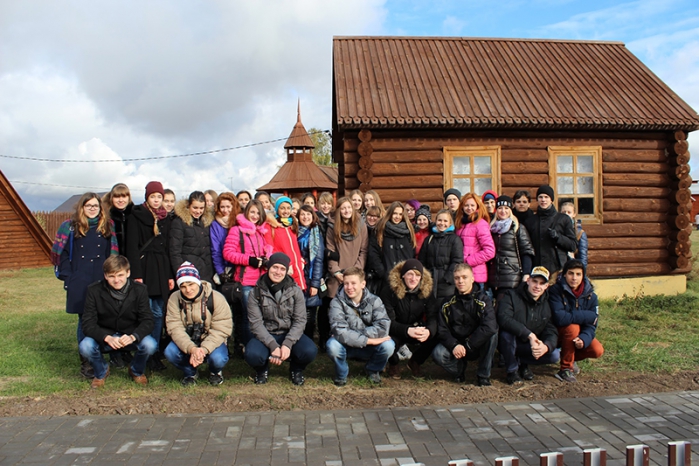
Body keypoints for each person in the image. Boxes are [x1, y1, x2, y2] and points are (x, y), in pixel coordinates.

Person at [51, 192, 119, 378]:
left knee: (103, 318)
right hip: (79, 279)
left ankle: (103, 354)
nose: (92, 209)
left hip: (101, 278)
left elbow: (112, 254)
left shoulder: (107, 226)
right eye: (88, 205)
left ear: (100, 207)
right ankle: (87, 362)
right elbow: (60, 254)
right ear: (82, 207)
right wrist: (69, 276)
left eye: (95, 206)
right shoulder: (69, 226)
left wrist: (111, 277)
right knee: (84, 321)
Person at [79, 255, 157, 388]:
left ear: (128, 273)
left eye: (120, 275)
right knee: (85, 346)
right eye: (111, 276)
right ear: (105, 276)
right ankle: (101, 371)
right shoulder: (94, 290)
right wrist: (106, 337)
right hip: (105, 335)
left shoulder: (140, 290)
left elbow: (148, 320)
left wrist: (134, 336)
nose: (116, 280)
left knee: (150, 344)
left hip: (129, 335)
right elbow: (87, 323)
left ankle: (136, 370)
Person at [245, 253, 318, 385]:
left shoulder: (296, 291)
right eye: (275, 267)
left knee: (309, 351)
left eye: (282, 269)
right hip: (266, 334)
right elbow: (256, 324)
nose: (278, 272)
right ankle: (262, 370)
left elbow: (300, 320)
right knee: (252, 354)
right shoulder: (255, 293)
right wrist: (273, 345)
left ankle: (296, 370)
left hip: (289, 333)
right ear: (268, 268)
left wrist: (288, 344)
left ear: (286, 271)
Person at [125, 181, 174, 371]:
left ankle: (154, 352)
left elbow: (168, 248)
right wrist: (136, 274)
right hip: (144, 268)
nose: (156, 200)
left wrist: (170, 275)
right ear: (147, 197)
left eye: (159, 197)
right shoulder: (137, 216)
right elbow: (132, 247)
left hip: (161, 268)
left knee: (159, 311)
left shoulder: (165, 218)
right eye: (153, 196)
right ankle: (145, 351)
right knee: (146, 312)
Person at [165, 262, 232, 386]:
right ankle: (190, 372)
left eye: (191, 284)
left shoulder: (216, 298)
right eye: (183, 286)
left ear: (198, 281)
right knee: (170, 352)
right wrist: (192, 348)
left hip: (212, 340)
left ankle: (215, 372)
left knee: (218, 359)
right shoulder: (174, 299)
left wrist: (204, 349)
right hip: (188, 340)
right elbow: (174, 328)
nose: (188, 290)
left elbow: (222, 329)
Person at [432, 263, 498, 386]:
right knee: (438, 354)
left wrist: (469, 344)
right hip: (456, 346)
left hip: (476, 344)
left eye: (464, 277)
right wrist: (454, 345)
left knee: (493, 335)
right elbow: (442, 330)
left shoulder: (483, 300)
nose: (460, 281)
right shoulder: (447, 303)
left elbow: (489, 326)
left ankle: (483, 375)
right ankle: (459, 371)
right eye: (457, 278)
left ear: (472, 279)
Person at [327, 267, 394, 385]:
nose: (349, 287)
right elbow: (340, 331)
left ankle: (373, 369)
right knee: (332, 345)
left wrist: (360, 338)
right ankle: (341, 374)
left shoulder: (375, 301)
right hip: (346, 345)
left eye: (353, 283)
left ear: (363, 284)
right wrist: (369, 340)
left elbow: (383, 327)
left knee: (389, 345)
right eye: (346, 283)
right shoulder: (336, 303)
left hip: (365, 345)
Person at [223, 200, 273, 352]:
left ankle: (256, 346)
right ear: (246, 213)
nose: (255, 216)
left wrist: (265, 260)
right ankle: (247, 347)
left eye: (258, 213)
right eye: (252, 212)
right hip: (245, 280)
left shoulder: (260, 231)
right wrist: (248, 260)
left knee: (260, 315)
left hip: (261, 280)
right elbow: (228, 253)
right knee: (248, 315)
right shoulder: (237, 231)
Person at [496, 266, 560, 385]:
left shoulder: (547, 304)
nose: (537, 286)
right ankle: (512, 371)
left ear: (546, 286)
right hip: (511, 342)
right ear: (528, 280)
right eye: (535, 281)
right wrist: (529, 335)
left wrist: (546, 346)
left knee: (554, 355)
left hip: (530, 346)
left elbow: (551, 329)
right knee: (506, 334)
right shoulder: (511, 295)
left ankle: (522, 363)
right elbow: (503, 318)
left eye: (542, 283)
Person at [324, 197, 369, 347]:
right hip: (338, 275)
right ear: (338, 210)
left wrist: (355, 273)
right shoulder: (332, 227)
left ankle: (354, 340)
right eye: (343, 208)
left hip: (355, 273)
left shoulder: (361, 225)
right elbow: (330, 251)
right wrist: (336, 272)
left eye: (348, 207)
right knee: (334, 307)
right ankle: (332, 339)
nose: (346, 211)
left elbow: (364, 251)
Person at [380, 260, 437, 379]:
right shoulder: (389, 291)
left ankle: (415, 362)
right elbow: (387, 321)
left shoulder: (426, 291)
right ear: (403, 275)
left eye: (417, 275)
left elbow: (433, 316)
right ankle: (393, 363)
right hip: (394, 329)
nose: (413, 278)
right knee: (386, 341)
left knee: (436, 334)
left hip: (416, 327)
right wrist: (407, 330)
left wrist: (429, 331)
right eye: (410, 274)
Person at [549, 259, 604, 383]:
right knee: (572, 327)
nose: (574, 278)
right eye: (571, 273)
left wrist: (584, 338)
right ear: (564, 274)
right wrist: (587, 315)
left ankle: (570, 358)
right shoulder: (555, 291)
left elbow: (593, 323)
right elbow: (560, 318)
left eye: (578, 274)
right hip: (556, 333)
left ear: (583, 276)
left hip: (578, 335)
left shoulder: (591, 296)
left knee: (597, 350)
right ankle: (565, 369)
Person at [488, 195, 535, 299]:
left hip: (512, 276)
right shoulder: (491, 228)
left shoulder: (517, 227)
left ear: (510, 210)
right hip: (493, 278)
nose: (503, 211)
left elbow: (526, 251)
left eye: (506, 208)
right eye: (500, 208)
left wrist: (526, 273)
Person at [523, 185, 577, 274]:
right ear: (537, 199)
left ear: (551, 200)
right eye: (540, 197)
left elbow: (573, 245)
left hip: (558, 268)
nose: (543, 200)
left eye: (546, 197)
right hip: (537, 268)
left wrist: (558, 237)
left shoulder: (563, 219)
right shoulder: (531, 221)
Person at [367, 201, 416, 292]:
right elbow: (373, 253)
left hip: (405, 278)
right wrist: (382, 272)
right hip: (386, 279)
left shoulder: (408, 230)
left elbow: (412, 252)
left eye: (400, 214)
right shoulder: (380, 229)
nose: (397, 217)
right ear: (390, 213)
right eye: (395, 213)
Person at [170, 191, 215, 284]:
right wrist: (181, 274)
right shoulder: (179, 222)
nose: (198, 211)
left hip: (206, 274)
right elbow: (174, 252)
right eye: (195, 207)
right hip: (188, 275)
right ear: (188, 206)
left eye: (201, 208)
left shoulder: (207, 223)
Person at [419, 209, 463, 300]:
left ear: (450, 223)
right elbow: (422, 260)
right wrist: (425, 277)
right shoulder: (429, 239)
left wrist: (447, 278)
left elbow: (457, 261)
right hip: (430, 281)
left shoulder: (455, 239)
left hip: (446, 283)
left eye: (445, 221)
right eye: (439, 220)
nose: (442, 223)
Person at [264, 196, 306, 291]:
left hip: (297, 267)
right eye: (282, 208)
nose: (286, 211)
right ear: (277, 209)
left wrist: (301, 260)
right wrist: (282, 264)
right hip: (283, 268)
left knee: (299, 298)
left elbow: (295, 247)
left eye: (288, 208)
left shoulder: (292, 225)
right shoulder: (271, 226)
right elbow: (271, 249)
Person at [455, 193, 496, 290]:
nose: (469, 208)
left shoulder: (480, 224)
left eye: (472, 205)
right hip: (461, 274)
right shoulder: (460, 224)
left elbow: (490, 251)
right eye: (466, 205)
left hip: (476, 275)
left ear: (477, 206)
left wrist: (468, 261)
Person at [296, 205, 325, 339]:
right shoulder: (294, 231)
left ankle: (307, 338)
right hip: (296, 275)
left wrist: (315, 283)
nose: (305, 217)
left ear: (313, 216)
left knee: (309, 312)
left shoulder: (316, 233)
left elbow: (318, 260)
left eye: (308, 214)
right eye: (302, 214)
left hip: (310, 276)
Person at [210, 192, 241, 286]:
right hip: (225, 266)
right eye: (222, 207)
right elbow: (215, 249)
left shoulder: (239, 221)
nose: (225, 210)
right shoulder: (215, 224)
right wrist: (220, 271)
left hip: (239, 265)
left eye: (228, 206)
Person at [102, 183, 133, 256]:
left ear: (129, 198)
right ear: (111, 198)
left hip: (132, 260)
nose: (121, 200)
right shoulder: (105, 217)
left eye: (124, 196)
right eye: (117, 197)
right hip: (113, 260)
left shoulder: (135, 215)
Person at [560, 202, 588, 268]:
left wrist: (581, 272)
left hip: (573, 267)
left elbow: (582, 256)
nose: (566, 214)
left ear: (574, 214)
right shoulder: (557, 229)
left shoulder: (579, 233)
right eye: (564, 212)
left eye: (569, 212)